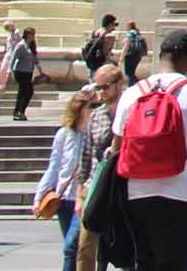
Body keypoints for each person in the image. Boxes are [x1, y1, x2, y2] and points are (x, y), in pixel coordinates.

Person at [112, 30, 187, 271]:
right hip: (175, 197)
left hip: (134, 198)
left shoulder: (131, 94)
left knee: (142, 265)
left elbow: (115, 153)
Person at [34, 88, 93, 271]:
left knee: (70, 246)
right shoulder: (64, 134)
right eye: (90, 107)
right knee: (74, 248)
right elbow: (54, 166)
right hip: (63, 197)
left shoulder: (94, 134)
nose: (92, 111)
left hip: (82, 197)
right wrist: (39, 195)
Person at [71, 65, 122, 271]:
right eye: (97, 88)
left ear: (120, 84)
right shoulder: (96, 115)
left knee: (127, 244)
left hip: (123, 186)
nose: (101, 92)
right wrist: (79, 193)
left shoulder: (131, 111)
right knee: (85, 245)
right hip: (96, 185)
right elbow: (86, 155)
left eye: (105, 87)